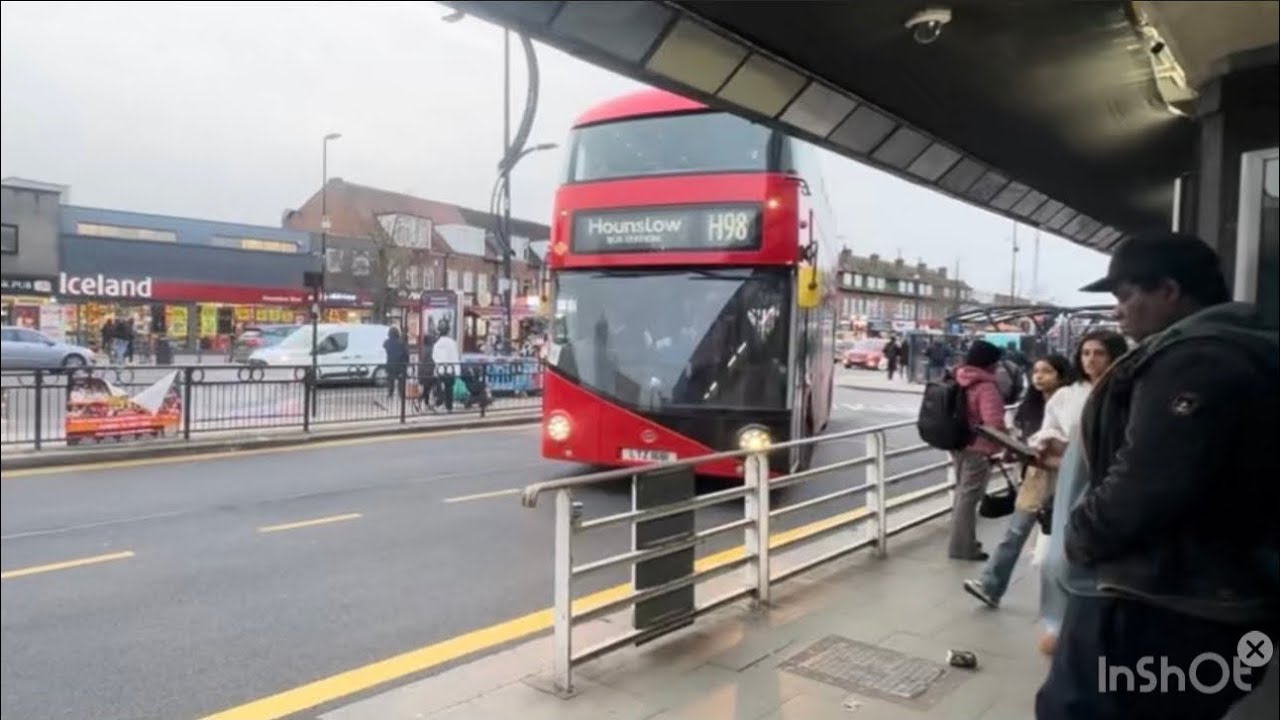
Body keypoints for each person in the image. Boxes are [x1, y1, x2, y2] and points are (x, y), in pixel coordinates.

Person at [1036, 231, 1278, 720]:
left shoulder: (1195, 360)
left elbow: (1147, 485)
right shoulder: (1246, 350)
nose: (1118, 311)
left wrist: (1078, 538)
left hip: (1160, 605)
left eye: (1126, 295)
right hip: (1218, 602)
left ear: (1169, 290)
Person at [1031, 330, 1129, 655]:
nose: (1090, 360)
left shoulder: (1124, 391)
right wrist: (1047, 442)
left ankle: (1078, 629)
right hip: (1069, 475)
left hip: (1103, 477)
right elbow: (1048, 428)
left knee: (1082, 555)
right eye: (1085, 353)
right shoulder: (1067, 394)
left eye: (1098, 353)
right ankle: (1056, 623)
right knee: (1051, 558)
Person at [962, 353, 1071, 608]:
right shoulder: (1029, 406)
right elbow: (1024, 439)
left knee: (1061, 541)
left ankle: (1067, 597)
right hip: (1034, 477)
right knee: (1014, 533)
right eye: (1036, 372)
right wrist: (1010, 451)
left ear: (1061, 375)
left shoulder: (1072, 405)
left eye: (1047, 372)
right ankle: (990, 586)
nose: (1039, 377)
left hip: (1063, 477)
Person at [947, 340, 1008, 561]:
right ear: (990, 363)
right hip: (979, 449)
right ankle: (962, 548)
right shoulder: (985, 387)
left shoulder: (959, 378)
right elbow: (994, 423)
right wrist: (1002, 446)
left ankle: (964, 542)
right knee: (969, 500)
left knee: (962, 496)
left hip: (958, 444)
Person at [431, 321, 461, 413]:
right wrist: (457, 371)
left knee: (439, 387)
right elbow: (455, 357)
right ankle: (449, 406)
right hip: (450, 369)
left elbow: (434, 357)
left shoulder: (437, 344)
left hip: (440, 369)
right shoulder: (452, 343)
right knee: (449, 388)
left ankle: (439, 403)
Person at [382, 327, 409, 400]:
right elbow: (406, 354)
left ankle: (390, 394)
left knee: (391, 380)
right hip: (400, 364)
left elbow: (384, 347)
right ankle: (401, 395)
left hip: (390, 364)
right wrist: (406, 363)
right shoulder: (401, 343)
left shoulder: (387, 342)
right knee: (401, 381)